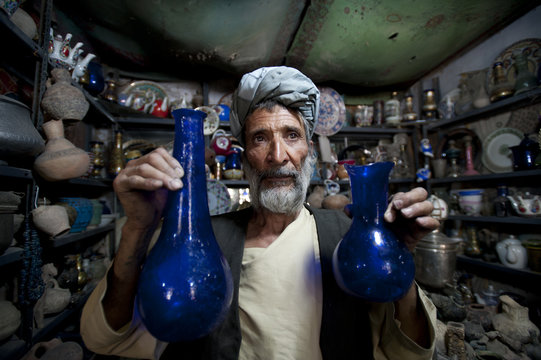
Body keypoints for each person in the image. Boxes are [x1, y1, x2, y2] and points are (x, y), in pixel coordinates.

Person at [81, 66, 439, 360]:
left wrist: (400, 261)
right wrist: (138, 229)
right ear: (244, 156)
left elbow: (411, 352)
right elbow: (105, 338)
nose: (278, 155)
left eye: (291, 135)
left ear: (309, 152)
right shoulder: (201, 244)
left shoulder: (348, 242)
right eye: (260, 138)